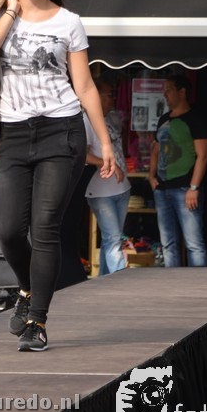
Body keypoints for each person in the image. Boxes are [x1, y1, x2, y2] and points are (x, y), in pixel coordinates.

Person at [0, 0, 116, 352]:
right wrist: (11, 11)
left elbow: (84, 85)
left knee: (45, 227)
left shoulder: (68, 22)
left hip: (61, 130)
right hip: (14, 133)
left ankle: (37, 320)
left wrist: (104, 142)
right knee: (8, 231)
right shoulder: (0, 15)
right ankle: (26, 288)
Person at [149, 75, 207, 268]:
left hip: (185, 188)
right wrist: (151, 176)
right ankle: (172, 284)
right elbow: (156, 149)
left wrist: (194, 187)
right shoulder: (163, 119)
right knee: (168, 243)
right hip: (162, 188)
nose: (165, 94)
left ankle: (198, 283)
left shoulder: (196, 119)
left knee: (194, 243)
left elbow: (203, 155)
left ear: (182, 92)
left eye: (168, 89)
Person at [85, 79, 131, 275]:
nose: (113, 99)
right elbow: (83, 155)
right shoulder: (86, 119)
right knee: (113, 240)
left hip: (122, 188)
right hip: (101, 191)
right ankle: (121, 282)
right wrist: (107, 164)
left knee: (111, 239)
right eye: (109, 95)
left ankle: (104, 281)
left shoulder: (112, 118)